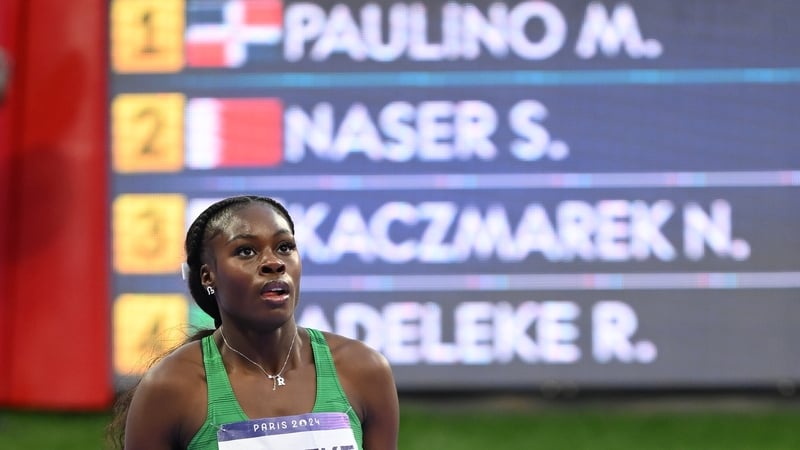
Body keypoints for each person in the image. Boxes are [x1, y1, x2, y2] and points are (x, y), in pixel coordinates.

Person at [109, 195, 400, 450]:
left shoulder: (364, 370)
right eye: (246, 251)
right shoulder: (171, 387)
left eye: (284, 247)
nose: (274, 263)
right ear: (208, 276)